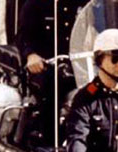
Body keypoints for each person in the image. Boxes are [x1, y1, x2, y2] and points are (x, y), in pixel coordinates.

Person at [16, 0, 87, 144]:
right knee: (52, 88)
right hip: (45, 64)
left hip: (77, 63)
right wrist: (31, 55)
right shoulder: (36, 4)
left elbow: (101, 30)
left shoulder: (84, 4)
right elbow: (23, 37)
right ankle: (50, 144)